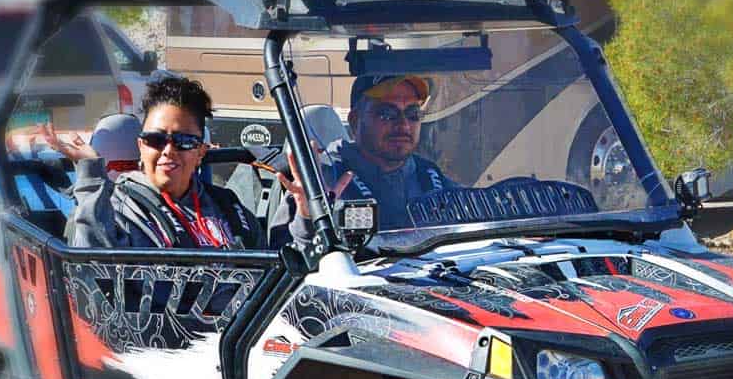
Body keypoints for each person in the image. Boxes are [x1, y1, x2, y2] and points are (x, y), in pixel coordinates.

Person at [66, 76, 263, 249]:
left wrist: (295, 208)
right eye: (155, 140)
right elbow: (92, 268)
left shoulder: (229, 206)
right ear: (141, 146)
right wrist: (91, 176)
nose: (168, 151)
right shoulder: (114, 207)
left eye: (184, 142)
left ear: (201, 152)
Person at [269, 74, 456, 248]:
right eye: (387, 114)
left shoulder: (428, 175)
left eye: (413, 114)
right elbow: (281, 262)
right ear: (355, 120)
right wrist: (307, 217)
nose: (404, 125)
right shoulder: (322, 177)